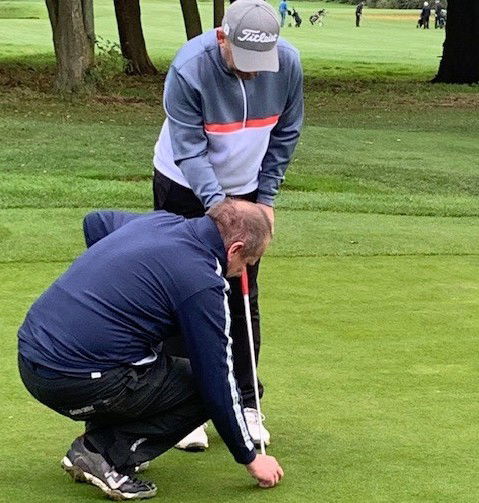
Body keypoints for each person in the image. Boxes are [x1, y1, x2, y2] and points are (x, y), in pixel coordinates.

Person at [17, 200, 284, 501]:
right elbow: (217, 380)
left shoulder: (158, 223)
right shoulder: (203, 283)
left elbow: (96, 222)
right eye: (247, 263)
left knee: (153, 357)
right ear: (234, 249)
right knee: (203, 387)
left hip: (30, 354)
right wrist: (250, 457)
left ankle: (101, 438)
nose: (240, 273)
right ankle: (102, 452)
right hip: (71, 378)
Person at [152, 0, 303, 450]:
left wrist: (266, 199)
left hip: (249, 188)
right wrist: (219, 208)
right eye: (246, 60)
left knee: (242, 290)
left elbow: (286, 132)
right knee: (179, 290)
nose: (256, 73)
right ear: (223, 38)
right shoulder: (188, 69)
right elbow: (190, 150)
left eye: (264, 62)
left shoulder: (287, 64)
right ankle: (182, 408)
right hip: (183, 185)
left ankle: (247, 399)